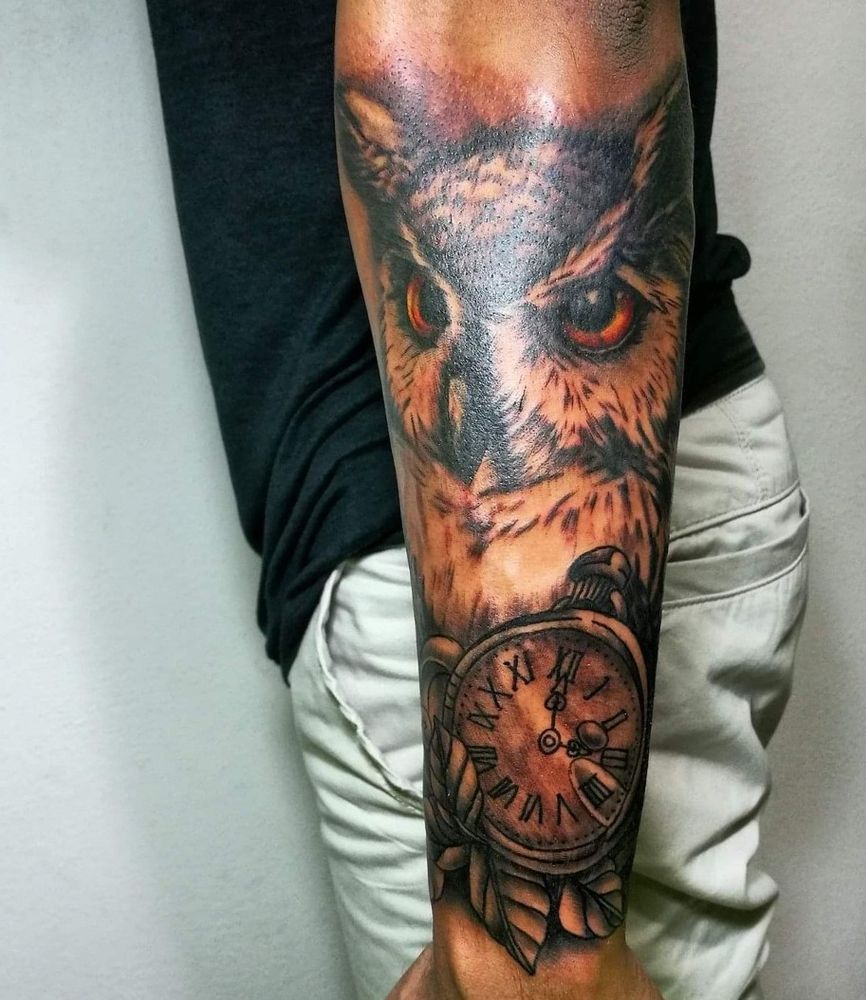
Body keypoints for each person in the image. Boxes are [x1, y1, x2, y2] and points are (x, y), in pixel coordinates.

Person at [147, 1, 808, 997]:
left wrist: (532, 942)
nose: (482, 390)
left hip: (508, 568)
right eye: (432, 312)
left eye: (588, 314)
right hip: (449, 549)